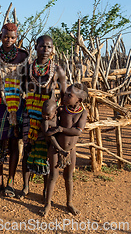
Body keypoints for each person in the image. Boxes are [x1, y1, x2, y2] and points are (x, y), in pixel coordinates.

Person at [0, 23, 28, 198]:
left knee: (14, 143)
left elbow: (27, 80)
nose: (8, 40)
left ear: (17, 37)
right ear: (0, 36)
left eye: (12, 37)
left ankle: (10, 182)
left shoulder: (23, 56)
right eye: (5, 36)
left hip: (16, 105)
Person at [22, 35, 66, 199]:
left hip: (48, 116)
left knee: (47, 152)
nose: (46, 50)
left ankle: (45, 189)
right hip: (30, 114)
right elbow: (20, 89)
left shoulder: (57, 70)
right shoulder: (27, 69)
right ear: (36, 47)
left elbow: (64, 95)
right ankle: (25, 186)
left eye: (49, 47)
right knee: (27, 149)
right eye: (42, 46)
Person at [40, 83, 89, 217]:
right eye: (66, 93)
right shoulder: (61, 110)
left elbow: (78, 131)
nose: (65, 97)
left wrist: (61, 129)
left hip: (70, 151)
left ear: (79, 100)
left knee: (68, 177)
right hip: (56, 149)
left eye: (69, 95)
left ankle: (69, 203)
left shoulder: (83, 113)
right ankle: (48, 203)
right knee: (53, 176)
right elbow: (50, 124)